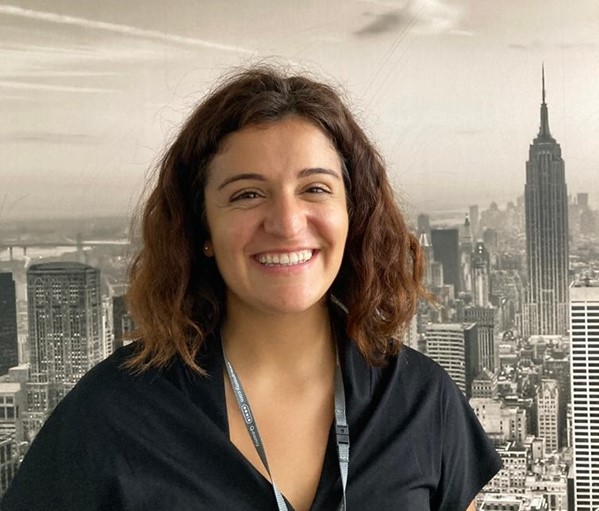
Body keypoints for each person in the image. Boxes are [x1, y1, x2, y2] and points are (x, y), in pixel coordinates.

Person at [3, 66, 501, 511]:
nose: (286, 223)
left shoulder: (420, 400)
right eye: (247, 194)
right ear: (203, 233)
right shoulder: (111, 418)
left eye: (315, 188)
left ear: (355, 215)